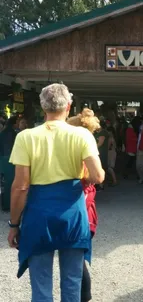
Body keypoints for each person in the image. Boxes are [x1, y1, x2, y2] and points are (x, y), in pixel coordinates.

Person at [7, 84, 105, 302]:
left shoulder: (26, 137)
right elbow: (98, 177)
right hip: (73, 213)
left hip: (39, 213)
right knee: (72, 282)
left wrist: (14, 225)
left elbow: (21, 186)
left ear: (43, 107)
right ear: (68, 106)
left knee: (41, 285)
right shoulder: (82, 135)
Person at [67, 108, 101, 302]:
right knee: (78, 258)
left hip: (80, 206)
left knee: (77, 261)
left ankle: (85, 297)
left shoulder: (78, 146)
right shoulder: (87, 144)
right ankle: (84, 296)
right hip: (87, 206)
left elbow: (94, 176)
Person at [0, 116, 18, 211]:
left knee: (5, 184)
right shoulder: (11, 133)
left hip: (4, 161)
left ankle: (5, 205)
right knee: (9, 184)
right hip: (9, 162)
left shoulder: (4, 132)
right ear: (14, 123)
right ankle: (8, 205)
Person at [96, 119, 110, 190]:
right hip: (98, 153)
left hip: (101, 153)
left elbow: (100, 143)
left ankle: (101, 185)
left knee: (100, 167)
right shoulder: (98, 132)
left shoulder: (103, 132)